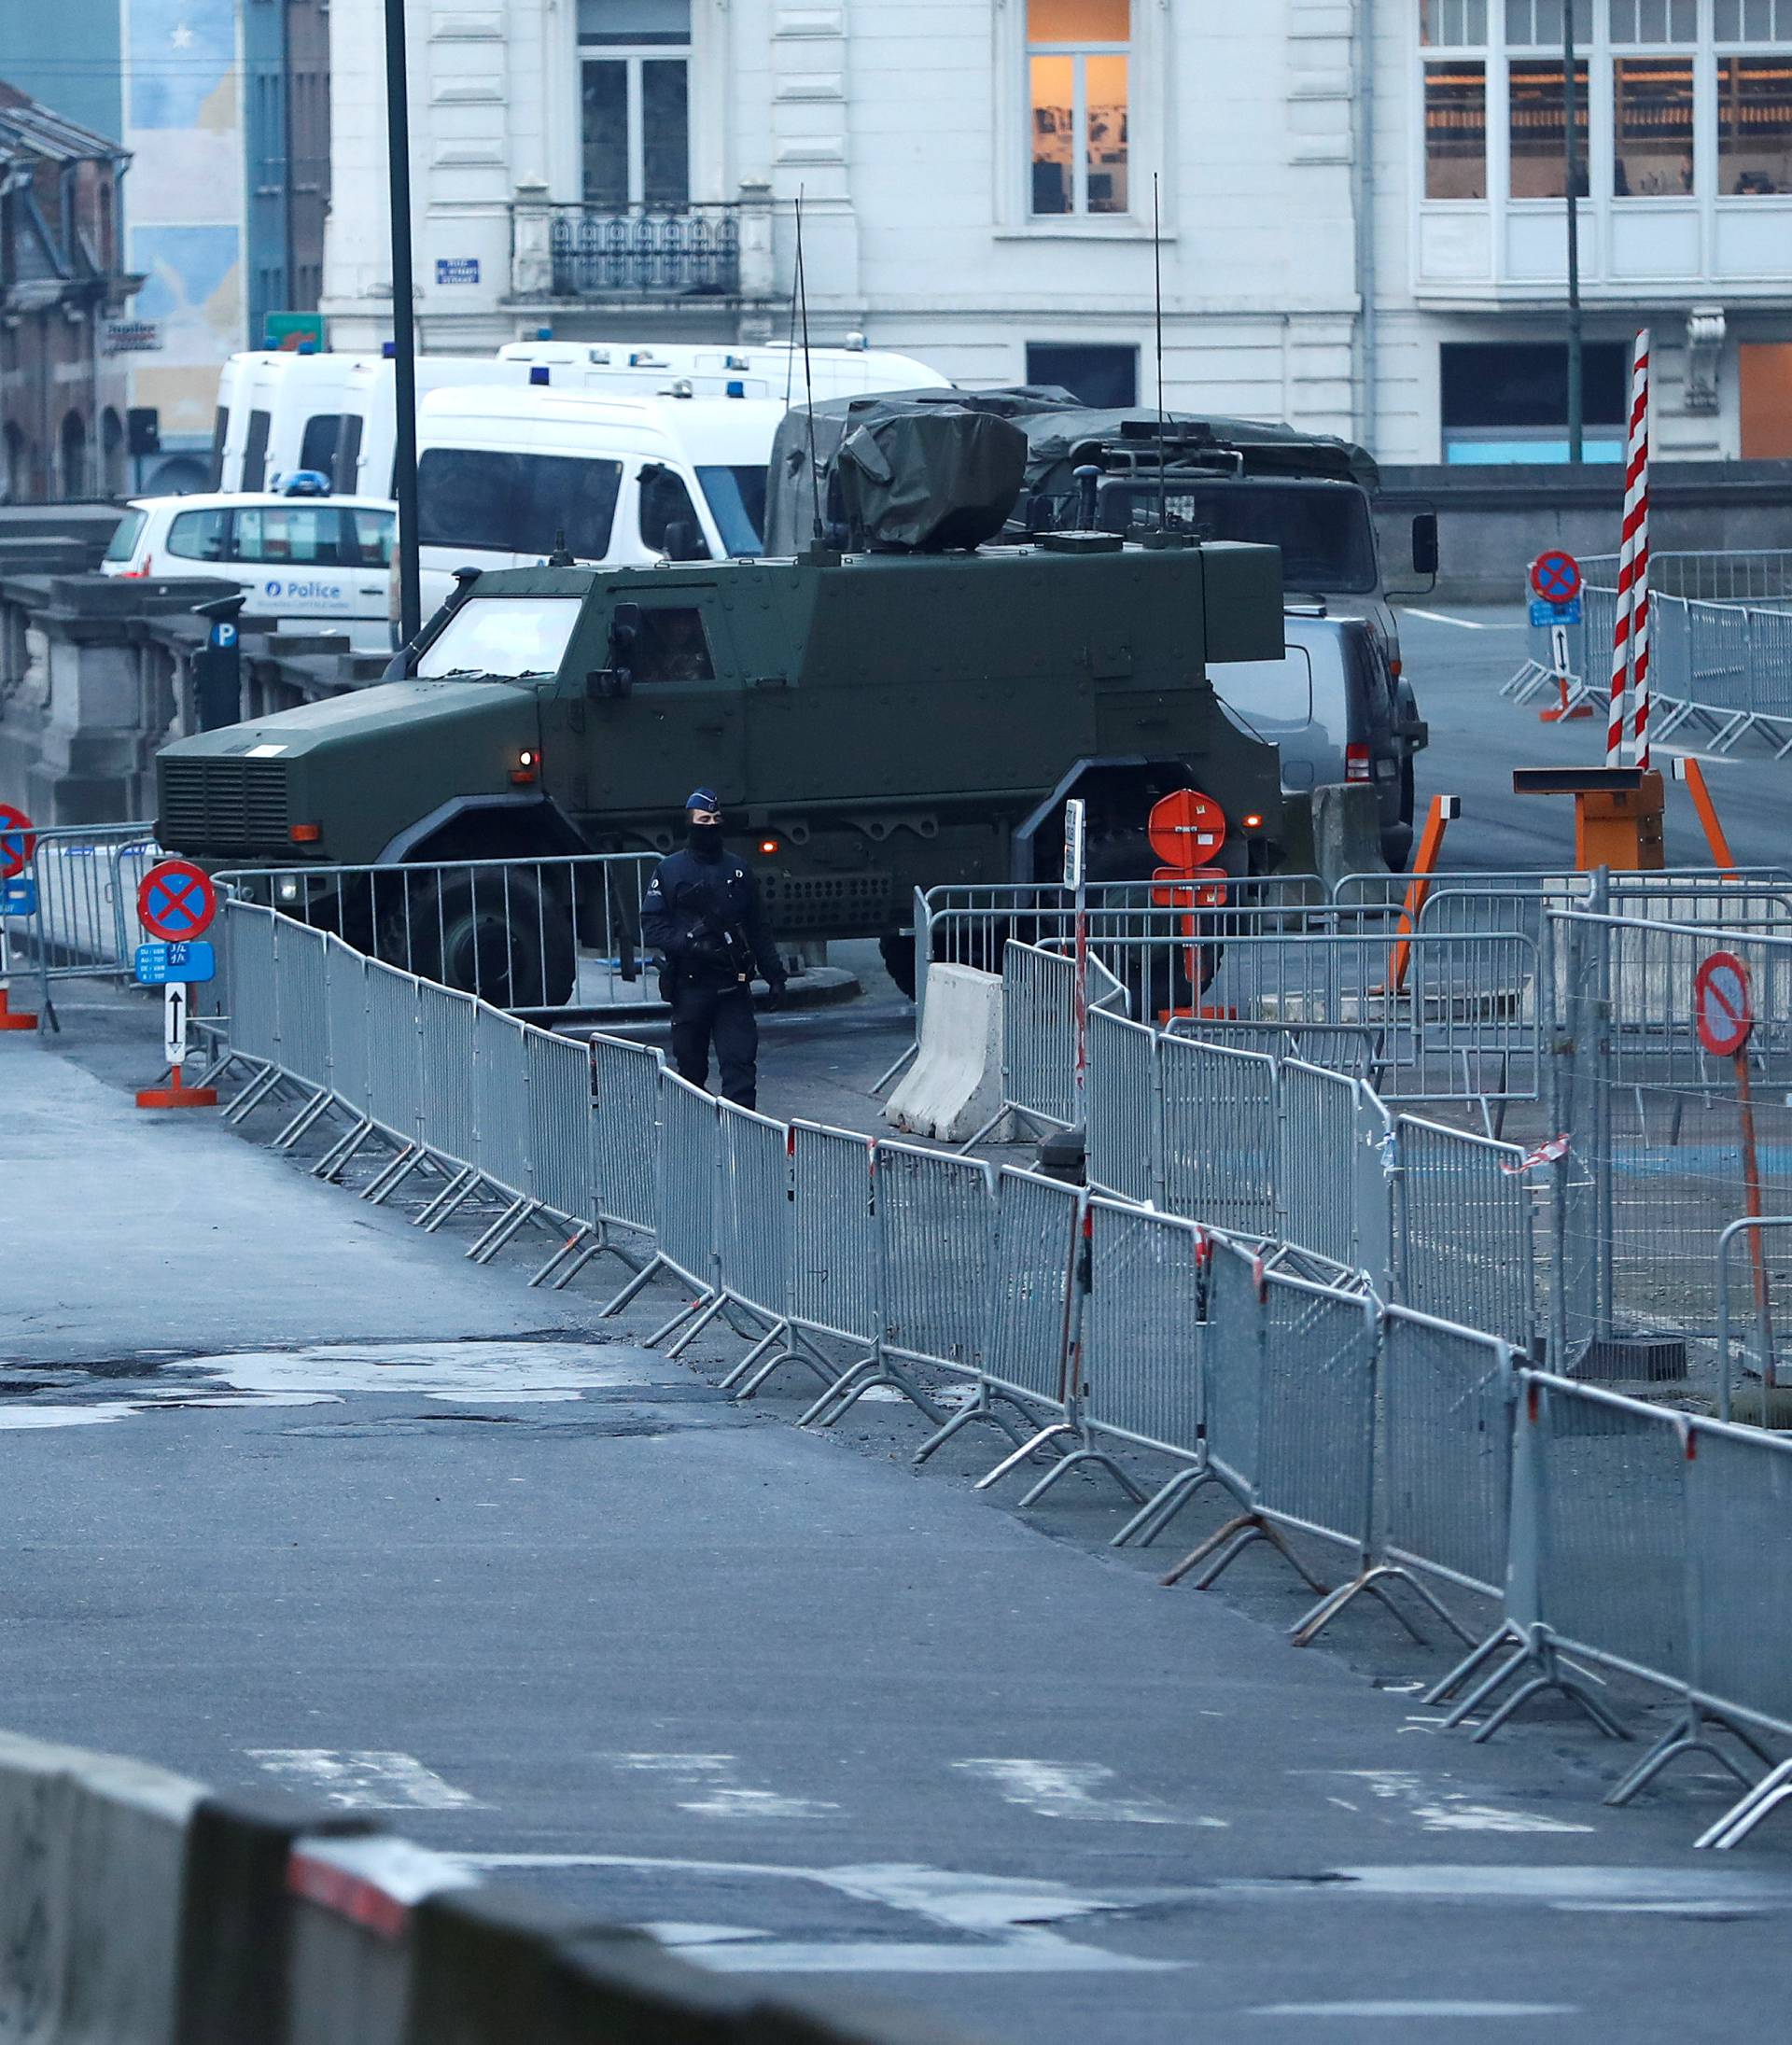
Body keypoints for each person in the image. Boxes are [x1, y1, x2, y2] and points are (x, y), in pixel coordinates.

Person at [641, 790, 788, 1109]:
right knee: (690, 1076)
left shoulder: (738, 871)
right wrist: (690, 944)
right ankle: (695, 1146)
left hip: (732, 987)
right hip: (689, 987)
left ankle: (741, 1141)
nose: (710, 826)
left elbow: (758, 927)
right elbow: (652, 926)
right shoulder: (670, 871)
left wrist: (775, 975)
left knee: (740, 1069)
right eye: (703, 820)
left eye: (715, 819)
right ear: (690, 824)